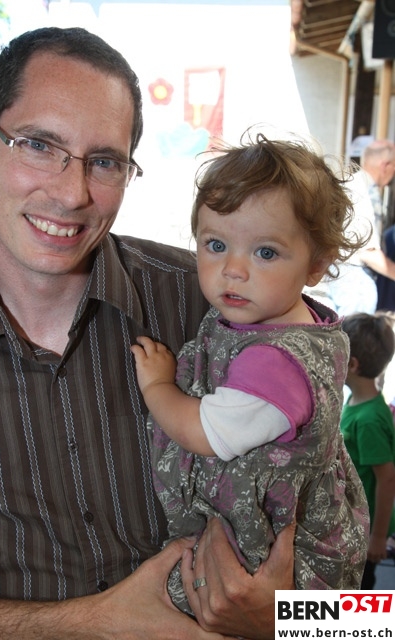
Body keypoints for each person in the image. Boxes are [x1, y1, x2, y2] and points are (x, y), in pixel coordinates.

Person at [0, 26, 296, 640]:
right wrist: (92, 623)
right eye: (38, 145)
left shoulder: (229, 308)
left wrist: (283, 620)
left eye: (104, 162)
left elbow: (368, 619)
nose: (70, 194)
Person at [131, 132, 370, 614]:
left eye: (265, 252)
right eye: (216, 244)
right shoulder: (274, 316)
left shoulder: (275, 363)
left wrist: (156, 385)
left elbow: (204, 433)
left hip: (276, 560)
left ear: (316, 265)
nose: (233, 270)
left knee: (173, 600)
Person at [340, 312, 395, 589]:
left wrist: (378, 537)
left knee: (359, 587)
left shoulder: (368, 420)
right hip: (353, 519)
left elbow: (387, 479)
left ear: (352, 364)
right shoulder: (357, 400)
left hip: (365, 528)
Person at [326, 139, 395, 316]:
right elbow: (367, 251)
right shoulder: (363, 192)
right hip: (354, 280)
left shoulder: (352, 185)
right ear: (385, 165)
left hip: (343, 276)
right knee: (354, 332)